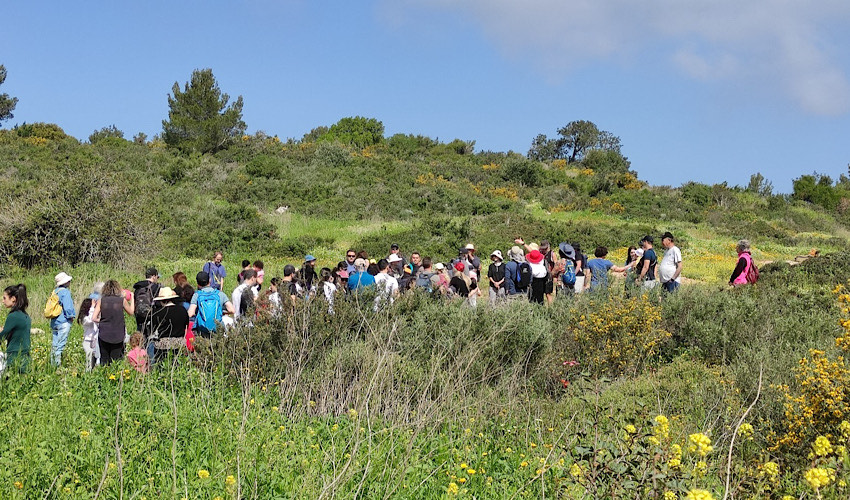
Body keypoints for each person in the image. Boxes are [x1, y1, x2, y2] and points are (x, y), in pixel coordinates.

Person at [94, 280, 134, 365]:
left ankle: (103, 376)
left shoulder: (101, 300)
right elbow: (131, 312)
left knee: (104, 360)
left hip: (104, 334)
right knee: (116, 361)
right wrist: (133, 298)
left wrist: (102, 321)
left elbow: (94, 318)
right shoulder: (122, 300)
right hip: (118, 334)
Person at [149, 287, 190, 364]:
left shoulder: (157, 313)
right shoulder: (182, 310)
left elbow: (152, 329)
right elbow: (186, 325)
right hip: (179, 343)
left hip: (163, 345)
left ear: (161, 301)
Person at [188, 272, 235, 338]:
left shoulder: (197, 295)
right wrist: (222, 312)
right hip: (218, 329)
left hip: (202, 331)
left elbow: (190, 313)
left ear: (198, 284)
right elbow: (232, 310)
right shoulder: (219, 294)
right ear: (210, 280)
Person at [1, 284, 31, 373]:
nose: (3, 301)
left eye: (4, 298)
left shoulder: (13, 316)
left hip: (14, 356)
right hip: (25, 356)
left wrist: (2, 331)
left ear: (13, 298)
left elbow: (2, 336)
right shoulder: (25, 316)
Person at [49, 272, 76, 367]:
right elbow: (68, 307)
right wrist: (71, 317)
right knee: (60, 345)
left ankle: (52, 365)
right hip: (63, 321)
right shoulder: (65, 292)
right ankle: (57, 366)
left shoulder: (55, 291)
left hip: (54, 322)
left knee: (55, 344)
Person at [132, 268, 161, 339]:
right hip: (151, 317)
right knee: (151, 339)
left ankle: (140, 349)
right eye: (157, 277)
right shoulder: (155, 287)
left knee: (141, 339)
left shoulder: (138, 288)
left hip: (139, 317)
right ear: (154, 276)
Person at [78, 298, 99, 371]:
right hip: (88, 341)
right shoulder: (85, 319)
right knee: (89, 363)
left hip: (95, 341)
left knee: (96, 362)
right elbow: (91, 320)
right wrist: (92, 308)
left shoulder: (93, 315)